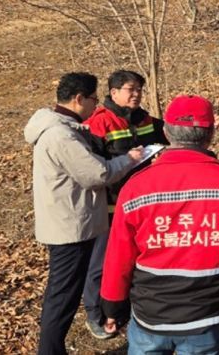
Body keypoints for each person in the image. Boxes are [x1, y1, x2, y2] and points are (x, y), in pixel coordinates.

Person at [100, 95, 219, 355]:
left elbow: (119, 255)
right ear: (211, 134)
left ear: (167, 133)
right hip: (207, 314)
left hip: (151, 312)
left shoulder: (137, 186)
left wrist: (113, 306)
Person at [24, 72, 143, 355]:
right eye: (92, 98)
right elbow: (98, 174)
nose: (95, 104)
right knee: (62, 297)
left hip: (68, 221)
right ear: (78, 98)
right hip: (69, 228)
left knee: (63, 294)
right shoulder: (61, 135)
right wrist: (129, 159)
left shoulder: (61, 127)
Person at [81, 69, 167, 339]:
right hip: (109, 207)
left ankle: (123, 311)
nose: (136, 94)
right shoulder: (99, 123)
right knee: (101, 264)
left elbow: (171, 136)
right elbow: (93, 168)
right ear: (114, 92)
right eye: (131, 89)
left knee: (134, 261)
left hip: (143, 206)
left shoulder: (146, 120)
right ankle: (95, 313)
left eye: (139, 89)